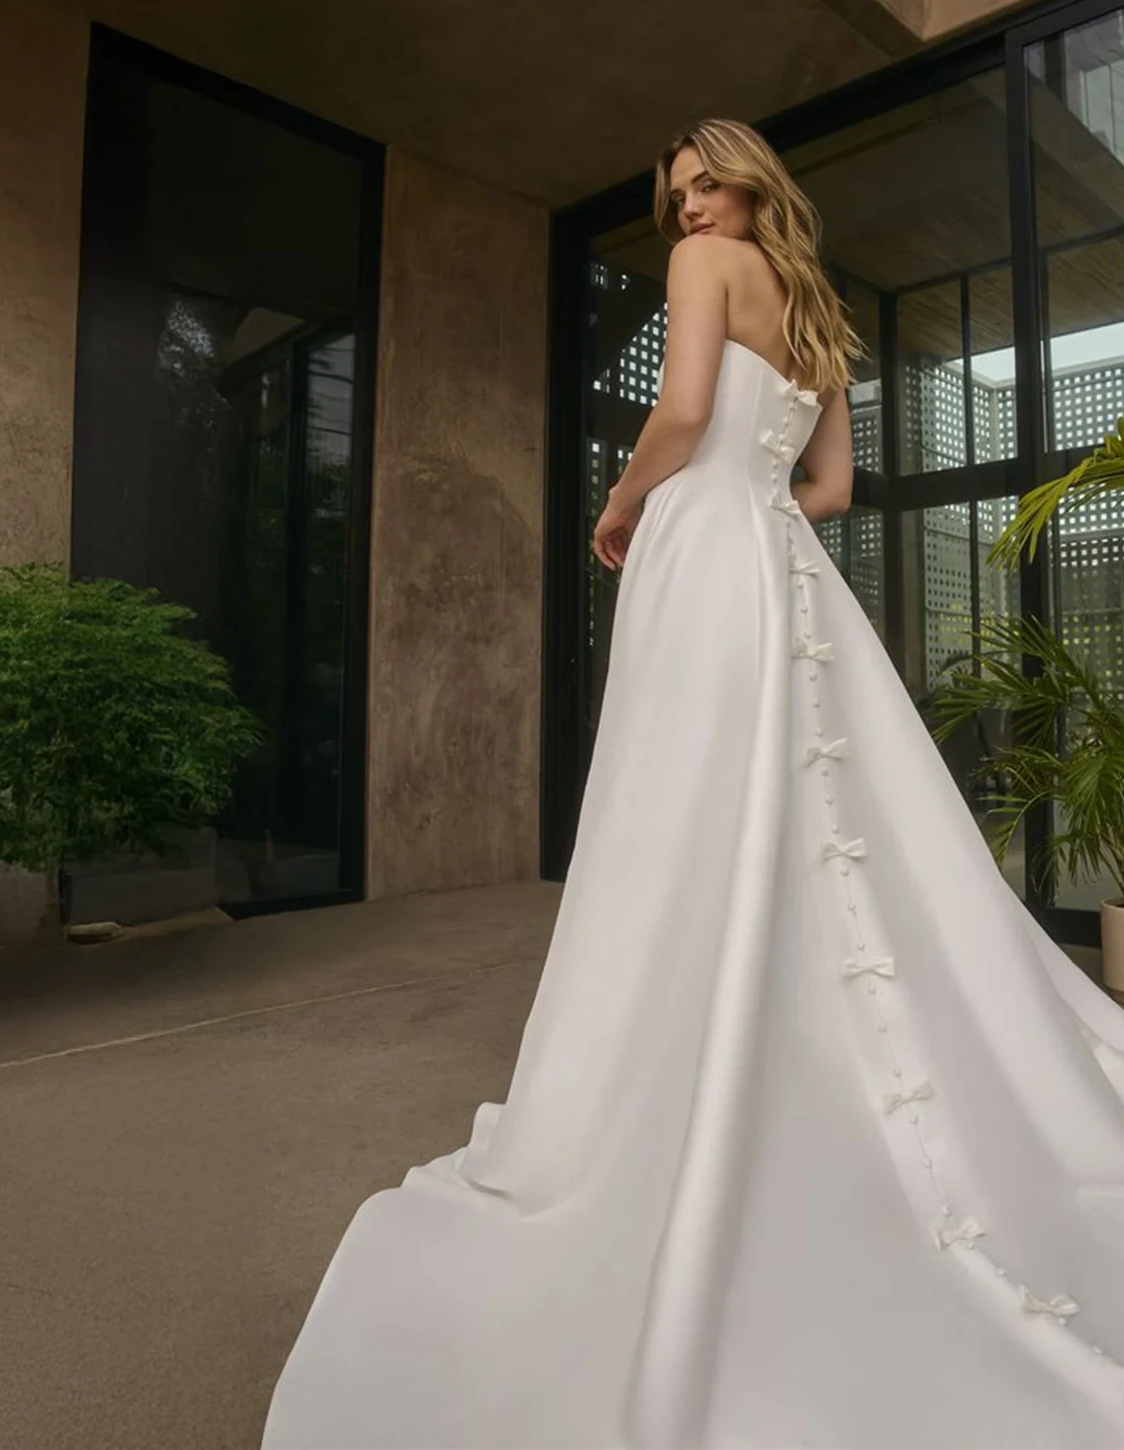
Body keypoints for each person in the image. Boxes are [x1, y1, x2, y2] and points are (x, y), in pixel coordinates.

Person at [260, 118, 1124, 1449]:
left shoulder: (705, 269)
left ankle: (684, 1049)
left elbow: (674, 413)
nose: (688, 208)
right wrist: (755, 496)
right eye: (676, 194)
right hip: (776, 561)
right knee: (789, 806)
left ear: (743, 183)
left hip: (701, 554)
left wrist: (620, 504)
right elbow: (830, 485)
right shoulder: (823, 312)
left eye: (702, 183)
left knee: (683, 806)